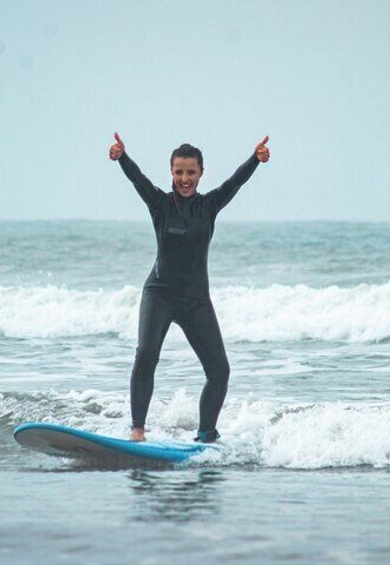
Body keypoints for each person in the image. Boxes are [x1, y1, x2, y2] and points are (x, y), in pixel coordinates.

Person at [109, 132, 270, 443]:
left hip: (196, 300)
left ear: (201, 173)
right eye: (179, 172)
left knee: (219, 371)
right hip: (159, 294)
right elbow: (138, 180)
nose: (185, 179)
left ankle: (206, 435)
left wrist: (255, 159)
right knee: (146, 356)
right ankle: (137, 431)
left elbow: (234, 183)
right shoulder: (159, 204)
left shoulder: (208, 207)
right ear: (171, 172)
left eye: (191, 172)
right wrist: (122, 157)